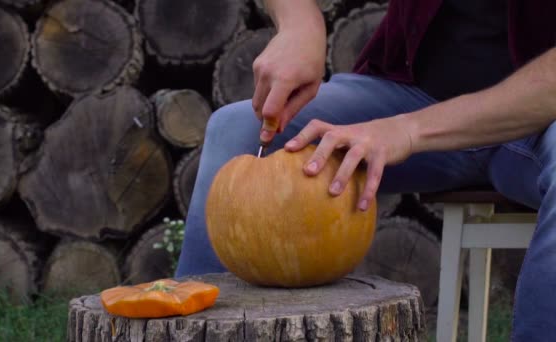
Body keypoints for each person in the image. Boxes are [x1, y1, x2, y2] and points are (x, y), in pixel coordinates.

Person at [175, 0, 556, 340]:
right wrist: (299, 24)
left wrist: (407, 130)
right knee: (235, 129)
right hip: (411, 94)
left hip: (540, 123)